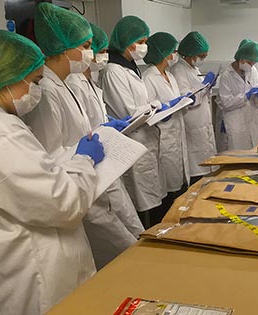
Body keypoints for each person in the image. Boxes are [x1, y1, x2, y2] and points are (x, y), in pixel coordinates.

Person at [0, 30, 104, 315]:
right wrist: (83, 161)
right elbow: (64, 203)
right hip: (34, 272)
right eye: (34, 82)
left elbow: (29, 181)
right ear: (7, 78)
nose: (36, 91)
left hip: (11, 262)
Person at [25, 3, 140, 269]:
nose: (90, 53)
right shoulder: (47, 93)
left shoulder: (66, 83)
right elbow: (50, 157)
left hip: (95, 182)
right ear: (64, 48)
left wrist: (102, 133)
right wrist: (82, 156)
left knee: (126, 246)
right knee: (115, 259)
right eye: (86, 46)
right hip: (79, 189)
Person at [65, 21, 144, 266]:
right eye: (90, 47)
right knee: (119, 248)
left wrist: (107, 125)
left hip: (105, 169)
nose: (99, 55)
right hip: (89, 174)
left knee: (132, 231)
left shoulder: (90, 80)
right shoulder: (70, 85)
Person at [99, 16, 164, 227]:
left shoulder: (130, 66)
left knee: (151, 197)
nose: (144, 47)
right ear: (126, 41)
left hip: (145, 138)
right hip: (132, 139)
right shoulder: (113, 71)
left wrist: (157, 107)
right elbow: (128, 112)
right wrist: (155, 107)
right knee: (139, 203)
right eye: (141, 42)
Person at [142, 32, 191, 225]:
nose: (175, 54)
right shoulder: (149, 77)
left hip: (177, 135)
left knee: (179, 187)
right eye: (173, 51)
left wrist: (184, 102)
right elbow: (149, 111)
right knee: (166, 192)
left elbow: (175, 101)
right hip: (163, 139)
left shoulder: (170, 75)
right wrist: (166, 110)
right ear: (163, 52)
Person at [171, 31, 218, 184]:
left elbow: (200, 92)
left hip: (202, 123)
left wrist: (207, 86)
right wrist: (204, 86)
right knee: (196, 171)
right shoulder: (178, 70)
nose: (202, 59)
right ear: (190, 53)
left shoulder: (193, 69)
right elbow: (187, 99)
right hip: (192, 125)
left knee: (205, 168)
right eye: (201, 56)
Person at [218, 39, 258, 150]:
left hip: (254, 118)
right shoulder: (226, 75)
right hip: (236, 122)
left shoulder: (252, 70)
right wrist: (245, 96)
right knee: (239, 154)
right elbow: (226, 103)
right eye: (250, 63)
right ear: (241, 59)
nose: (251, 66)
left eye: (253, 63)